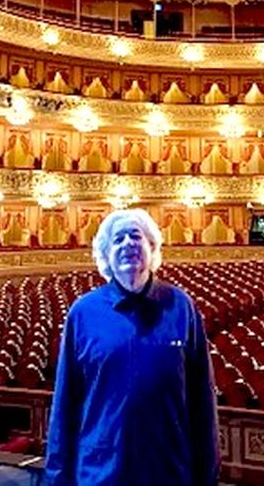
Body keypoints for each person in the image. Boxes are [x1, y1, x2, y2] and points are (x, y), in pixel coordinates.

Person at [44, 208, 220, 486]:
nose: (128, 244)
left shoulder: (181, 306)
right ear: (105, 256)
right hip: (100, 475)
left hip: (169, 473)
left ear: (152, 247)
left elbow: (202, 402)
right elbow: (65, 405)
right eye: (118, 239)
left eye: (135, 237)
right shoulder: (83, 313)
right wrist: (56, 479)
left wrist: (207, 476)